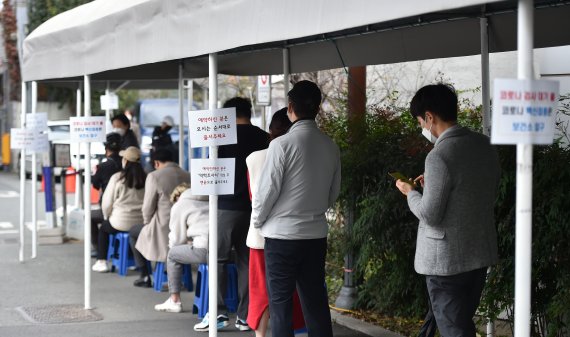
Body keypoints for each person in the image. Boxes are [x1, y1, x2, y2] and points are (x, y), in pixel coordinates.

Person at [395, 83, 500, 337]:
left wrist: (412, 193)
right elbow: (484, 193)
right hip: (477, 253)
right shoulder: (485, 144)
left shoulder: (439, 155)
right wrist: (432, 184)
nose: (422, 127)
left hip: (445, 263)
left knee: (455, 330)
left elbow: (430, 214)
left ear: (429, 117)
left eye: (420, 121)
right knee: (459, 322)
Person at [252, 80, 341, 337]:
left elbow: (266, 193)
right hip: (315, 235)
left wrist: (259, 221)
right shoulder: (330, 146)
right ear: (318, 108)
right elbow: (332, 194)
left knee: (281, 306)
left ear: (290, 107)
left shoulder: (280, 145)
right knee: (315, 302)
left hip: (281, 236)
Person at [193, 97, 269, 332]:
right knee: (247, 262)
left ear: (228, 115)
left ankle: (217, 312)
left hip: (225, 207)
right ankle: (246, 316)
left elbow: (210, 169)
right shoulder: (263, 137)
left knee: (217, 259)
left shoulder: (221, 139)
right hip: (253, 207)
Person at [246, 108, 305, 337]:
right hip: (294, 232)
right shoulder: (299, 153)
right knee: (293, 289)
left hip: (260, 235)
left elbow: (254, 197)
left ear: (271, 130)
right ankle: (297, 331)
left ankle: (260, 335)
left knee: (260, 289)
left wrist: (259, 220)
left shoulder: (254, 158)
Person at [129, 148, 190, 287]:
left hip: (163, 228)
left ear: (156, 162)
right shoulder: (188, 175)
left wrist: (147, 223)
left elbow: (148, 207)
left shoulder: (154, 176)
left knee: (134, 233)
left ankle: (144, 275)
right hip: (185, 228)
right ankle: (168, 273)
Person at [154, 182, 208, 313]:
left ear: (177, 197)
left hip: (204, 250)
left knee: (173, 254)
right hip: (226, 249)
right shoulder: (211, 198)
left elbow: (177, 239)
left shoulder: (181, 205)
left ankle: (175, 300)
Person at [92, 146, 146, 272]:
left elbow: (107, 203)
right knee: (132, 234)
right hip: (141, 222)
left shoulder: (118, 178)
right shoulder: (147, 178)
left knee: (104, 229)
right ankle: (133, 260)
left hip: (119, 222)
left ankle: (102, 261)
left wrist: (107, 216)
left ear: (125, 161)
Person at [91, 132, 123, 256]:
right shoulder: (131, 167)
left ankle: (99, 249)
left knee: (90, 217)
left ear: (106, 149)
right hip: (134, 214)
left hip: (114, 212)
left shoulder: (103, 166)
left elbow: (95, 184)